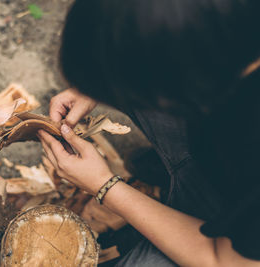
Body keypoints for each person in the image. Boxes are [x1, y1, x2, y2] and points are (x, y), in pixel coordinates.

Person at [38, 0, 260, 266]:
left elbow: (221, 259)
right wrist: (100, 81)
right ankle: (176, 181)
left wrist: (105, 186)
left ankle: (184, 191)